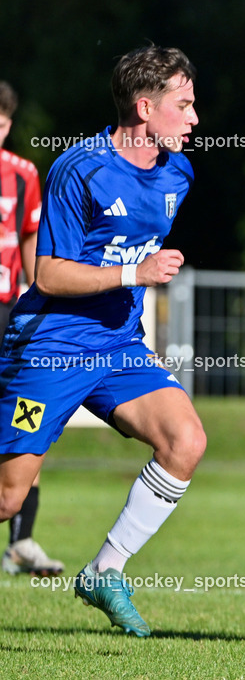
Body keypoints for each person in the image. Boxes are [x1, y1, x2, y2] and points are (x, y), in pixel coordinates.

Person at [0, 45, 204, 637]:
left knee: (185, 439)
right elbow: (49, 274)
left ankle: (105, 570)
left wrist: (136, 276)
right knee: (9, 500)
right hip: (51, 347)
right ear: (146, 107)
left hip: (118, 347)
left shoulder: (178, 172)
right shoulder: (79, 168)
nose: (195, 118)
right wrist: (133, 274)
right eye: (183, 105)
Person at [0, 81, 64, 577]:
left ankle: (21, 541)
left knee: (29, 417)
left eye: (3, 121)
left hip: (8, 314)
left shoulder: (23, 174)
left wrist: (34, 303)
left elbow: (30, 246)